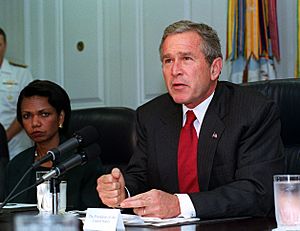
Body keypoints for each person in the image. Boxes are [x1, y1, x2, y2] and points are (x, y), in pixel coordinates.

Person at [97, 20, 285, 219]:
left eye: (186, 58)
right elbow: (140, 176)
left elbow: (257, 191)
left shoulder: (253, 111)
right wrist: (122, 191)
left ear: (215, 68)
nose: (175, 70)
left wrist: (179, 205)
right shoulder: (151, 115)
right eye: (168, 60)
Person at [5, 80, 104, 210]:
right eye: (27, 116)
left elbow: (92, 216)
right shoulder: (16, 165)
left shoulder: (83, 161)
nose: (35, 123)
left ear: (61, 117)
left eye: (44, 114)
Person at [0, 27, 33, 160]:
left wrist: (4, 137)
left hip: (16, 146)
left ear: (5, 45)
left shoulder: (21, 74)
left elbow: (28, 110)